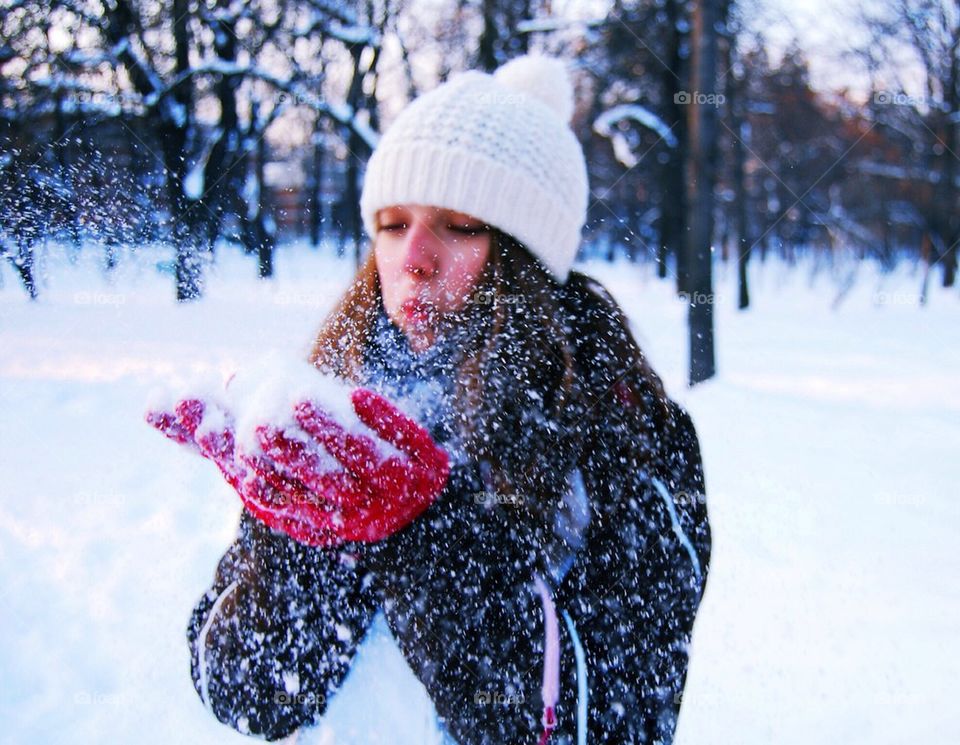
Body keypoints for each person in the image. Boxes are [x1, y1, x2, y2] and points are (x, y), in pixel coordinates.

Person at [149, 54, 711, 744]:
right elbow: (249, 696)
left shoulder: (626, 433)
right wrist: (297, 543)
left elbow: (614, 725)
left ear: (525, 260)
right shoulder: (333, 418)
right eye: (391, 223)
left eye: (461, 224)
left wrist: (424, 535)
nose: (413, 256)